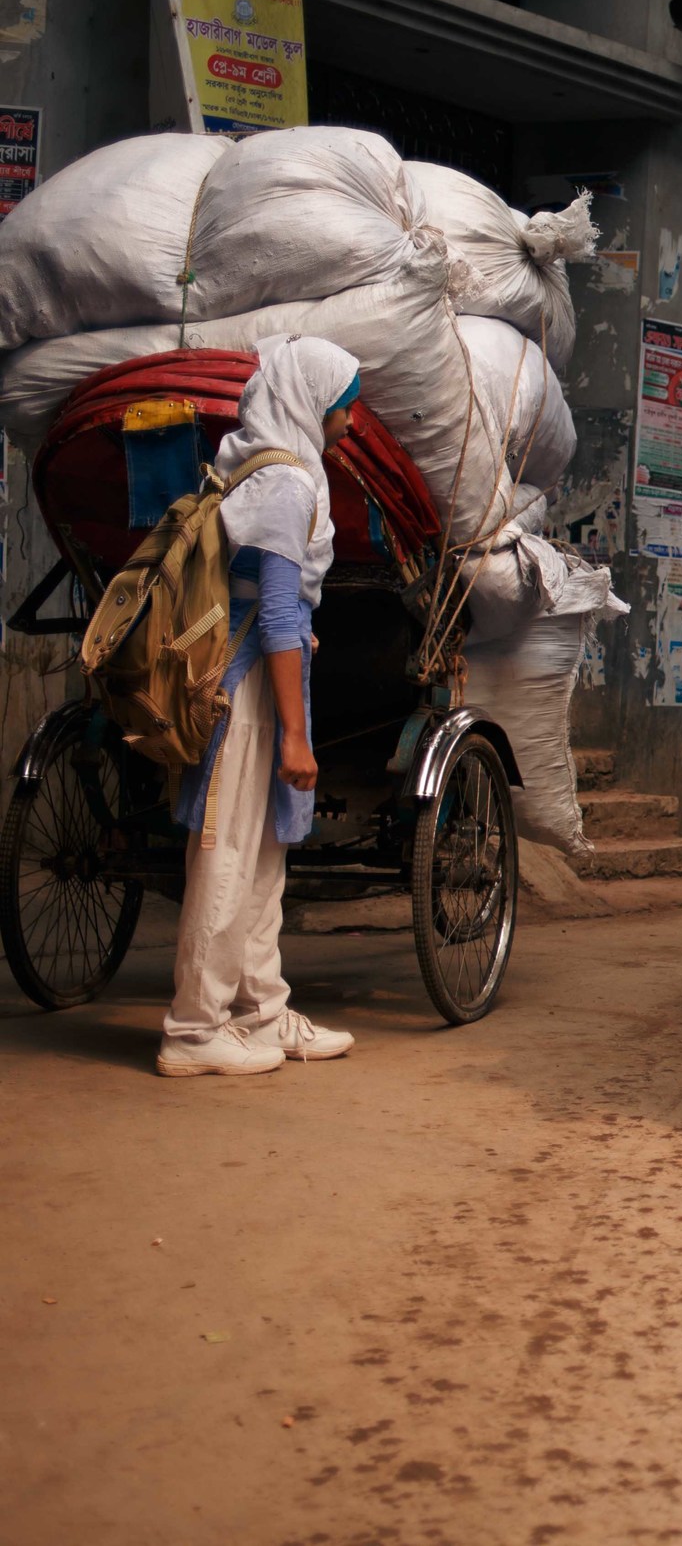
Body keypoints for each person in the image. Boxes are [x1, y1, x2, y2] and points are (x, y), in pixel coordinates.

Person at [157, 335, 362, 1078]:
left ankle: (261, 1013)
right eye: (343, 405)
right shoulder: (284, 486)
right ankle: (192, 1029)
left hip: (255, 685)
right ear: (310, 401)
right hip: (245, 691)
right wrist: (296, 738)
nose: (350, 421)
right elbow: (278, 616)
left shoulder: (262, 468)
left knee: (262, 857)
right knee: (226, 855)